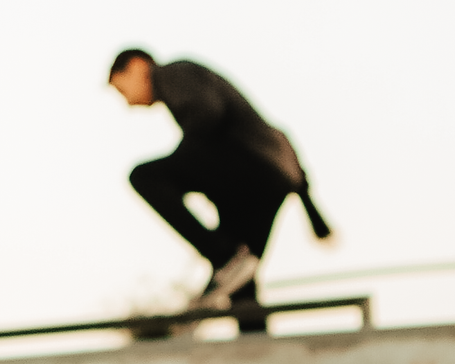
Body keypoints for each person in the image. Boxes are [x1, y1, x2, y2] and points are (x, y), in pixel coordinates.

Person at [108, 48, 330, 333]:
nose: (128, 103)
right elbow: (281, 140)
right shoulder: (185, 82)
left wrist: (185, 171)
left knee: (145, 177)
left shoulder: (171, 74)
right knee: (239, 281)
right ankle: (257, 353)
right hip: (271, 184)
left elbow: (207, 114)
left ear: (137, 66)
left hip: (250, 168)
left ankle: (223, 258)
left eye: (122, 89)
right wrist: (314, 214)